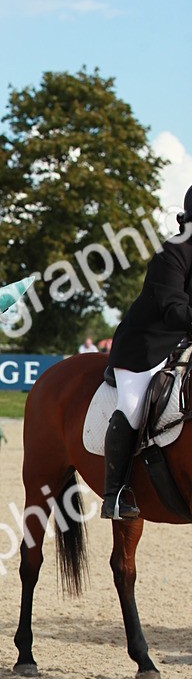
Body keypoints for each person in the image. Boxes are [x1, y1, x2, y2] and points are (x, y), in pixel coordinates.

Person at [101, 184, 192, 519]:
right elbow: (173, 309)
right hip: (147, 347)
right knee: (134, 405)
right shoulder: (173, 252)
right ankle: (115, 493)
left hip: (186, 343)